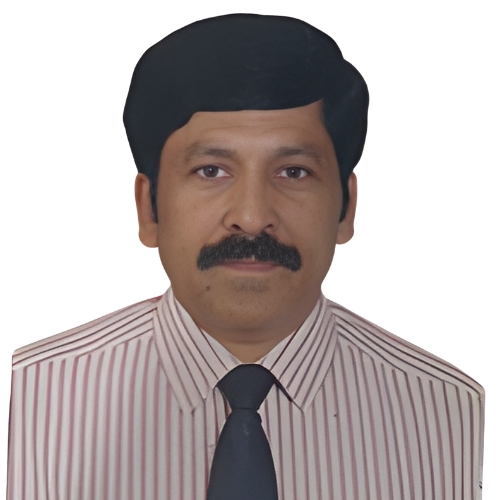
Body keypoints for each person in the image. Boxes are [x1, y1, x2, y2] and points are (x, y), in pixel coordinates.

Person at [6, 13, 484, 500]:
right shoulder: (28, 396)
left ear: (346, 208)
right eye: (211, 171)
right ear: (148, 209)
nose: (253, 218)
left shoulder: (450, 411)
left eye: (294, 172)